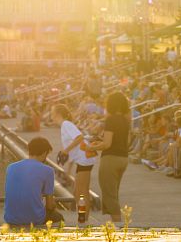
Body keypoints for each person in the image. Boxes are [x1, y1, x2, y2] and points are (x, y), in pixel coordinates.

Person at [86, 92, 131, 223]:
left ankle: (118, 227)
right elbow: (125, 141)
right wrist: (100, 143)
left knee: (110, 195)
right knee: (113, 193)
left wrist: (91, 147)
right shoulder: (125, 120)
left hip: (111, 159)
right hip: (123, 158)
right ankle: (115, 224)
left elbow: (107, 144)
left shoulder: (111, 120)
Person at [4, 137, 64, 226]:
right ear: (44, 153)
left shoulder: (11, 167)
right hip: (34, 219)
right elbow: (49, 206)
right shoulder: (48, 170)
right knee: (58, 217)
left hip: (10, 218)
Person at [51, 105, 96, 220]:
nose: (51, 115)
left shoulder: (66, 124)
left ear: (57, 114)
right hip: (81, 159)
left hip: (84, 159)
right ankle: (82, 215)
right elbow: (73, 147)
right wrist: (69, 169)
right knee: (77, 192)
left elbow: (79, 138)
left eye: (52, 112)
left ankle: (83, 218)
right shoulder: (64, 126)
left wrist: (65, 150)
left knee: (82, 191)